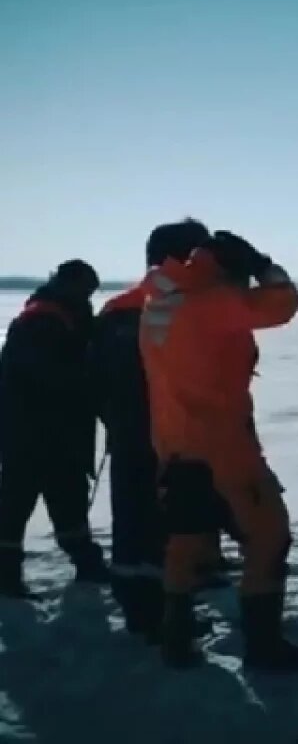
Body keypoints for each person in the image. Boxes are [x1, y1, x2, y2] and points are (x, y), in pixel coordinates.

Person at [139, 230, 298, 671]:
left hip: (175, 445)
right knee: (268, 535)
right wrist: (263, 264)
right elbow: (283, 303)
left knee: (187, 541)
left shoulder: (160, 300)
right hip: (222, 446)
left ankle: (176, 641)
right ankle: (264, 647)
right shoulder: (209, 302)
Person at [92, 218, 221, 638]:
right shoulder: (180, 307)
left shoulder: (117, 308)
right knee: (167, 525)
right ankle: (162, 614)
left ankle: (142, 609)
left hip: (129, 434)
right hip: (173, 437)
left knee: (133, 522)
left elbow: (95, 379)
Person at [0, 260, 109, 596]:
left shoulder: (62, 314)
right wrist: (91, 384)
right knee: (18, 507)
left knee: (65, 501)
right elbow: (49, 376)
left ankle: (87, 564)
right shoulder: (43, 320)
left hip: (48, 432)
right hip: (34, 432)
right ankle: (7, 577)